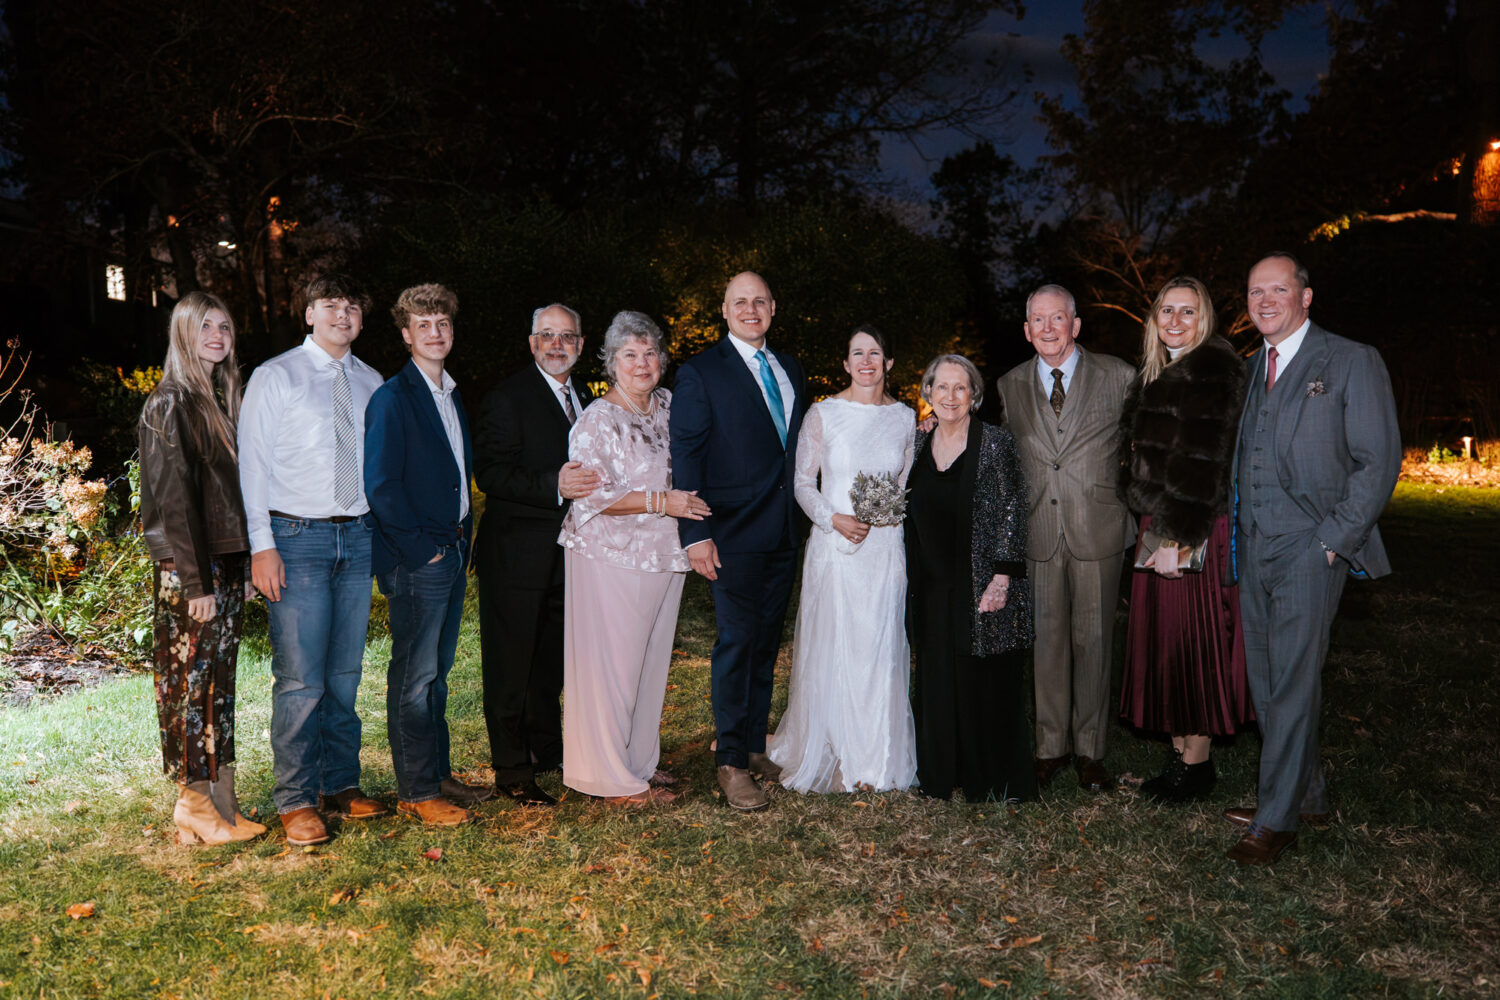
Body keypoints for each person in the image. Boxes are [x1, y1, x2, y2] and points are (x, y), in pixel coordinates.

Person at [1225, 252, 1400, 865]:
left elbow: (1378, 462)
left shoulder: (1351, 360)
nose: (1265, 300)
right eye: (1254, 292)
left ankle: (1276, 820)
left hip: (1309, 546)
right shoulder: (1251, 369)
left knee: (1295, 681)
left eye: (1278, 289)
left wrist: (1333, 540)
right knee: (1267, 680)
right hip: (1253, 546)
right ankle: (1309, 795)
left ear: (1306, 296)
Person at [239, 274, 386, 846]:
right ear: (308, 314)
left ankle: (341, 783)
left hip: (359, 537)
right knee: (300, 677)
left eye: (352, 307)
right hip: (295, 537)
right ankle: (296, 799)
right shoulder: (276, 376)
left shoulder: (373, 382)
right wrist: (262, 544)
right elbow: (252, 465)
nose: (342, 315)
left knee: (345, 671)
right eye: (330, 306)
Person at [558, 311, 710, 805]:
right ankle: (609, 778)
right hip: (611, 556)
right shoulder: (598, 419)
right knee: (612, 669)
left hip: (664, 555)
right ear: (611, 362)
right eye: (630, 355)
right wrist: (661, 502)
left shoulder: (668, 406)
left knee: (649, 665)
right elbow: (590, 496)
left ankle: (638, 763)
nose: (641, 363)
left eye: (649, 353)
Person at [669, 271, 807, 811]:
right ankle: (729, 762)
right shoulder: (701, 373)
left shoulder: (790, 367)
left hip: (783, 531)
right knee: (735, 643)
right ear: (724, 311)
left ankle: (753, 745)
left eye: (760, 301)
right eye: (740, 302)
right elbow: (687, 455)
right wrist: (695, 534)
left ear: (773, 307)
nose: (751, 309)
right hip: (728, 532)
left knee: (766, 645)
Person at [995, 284, 1135, 794]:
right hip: (1040, 530)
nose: (1049, 328)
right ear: (1027, 330)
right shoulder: (1009, 384)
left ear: (1076, 325)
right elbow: (1005, 458)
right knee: (1047, 641)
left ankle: (1091, 750)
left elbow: (1140, 451)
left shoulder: (1119, 376)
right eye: (1038, 319)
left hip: (1098, 525)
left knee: (1094, 640)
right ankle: (1050, 747)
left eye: (1059, 318)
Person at [1117, 276, 1251, 803]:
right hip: (1160, 525)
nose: (1174, 321)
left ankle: (1196, 766)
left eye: (1187, 312)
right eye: (1165, 311)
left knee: (1190, 645)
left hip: (1187, 526)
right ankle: (1179, 757)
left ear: (1206, 319)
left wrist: (1176, 539)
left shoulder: (1213, 369)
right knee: (1164, 644)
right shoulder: (1160, 371)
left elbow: (1205, 464)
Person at [768, 324, 917, 793]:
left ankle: (875, 755)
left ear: (889, 363)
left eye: (876, 353)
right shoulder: (823, 414)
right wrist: (833, 519)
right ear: (846, 363)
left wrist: (883, 516)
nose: (867, 361)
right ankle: (829, 746)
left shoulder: (907, 419)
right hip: (835, 547)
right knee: (835, 646)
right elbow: (801, 484)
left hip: (885, 550)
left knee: (879, 645)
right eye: (858, 353)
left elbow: (903, 486)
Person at [363, 283, 492, 827]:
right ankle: (416, 792)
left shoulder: (449, 392)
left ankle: (436, 773)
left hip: (451, 548)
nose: (435, 333)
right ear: (405, 334)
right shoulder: (394, 398)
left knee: (436, 672)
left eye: (442, 323)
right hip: (418, 558)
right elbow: (381, 485)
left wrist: (459, 539)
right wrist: (423, 553)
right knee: (413, 678)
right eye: (423, 325)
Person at [139, 292, 265, 845]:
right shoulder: (169, 404)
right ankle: (193, 803)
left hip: (223, 562)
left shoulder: (214, 399)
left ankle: (221, 798)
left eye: (226, 326)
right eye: (205, 326)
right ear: (183, 334)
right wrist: (197, 583)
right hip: (192, 569)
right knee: (190, 687)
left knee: (217, 685)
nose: (218, 335)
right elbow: (175, 502)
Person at [473, 303, 599, 806]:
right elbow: (492, 473)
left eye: (566, 336)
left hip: (570, 554)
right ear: (531, 343)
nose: (556, 344)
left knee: (551, 661)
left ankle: (549, 750)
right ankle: (512, 770)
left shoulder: (588, 397)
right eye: (546, 335)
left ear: (581, 345)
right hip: (516, 557)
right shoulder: (508, 397)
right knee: (510, 665)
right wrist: (554, 484)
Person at [906, 355, 1036, 802]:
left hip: (981, 583)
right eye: (941, 387)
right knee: (938, 680)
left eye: (960, 388)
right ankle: (942, 775)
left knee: (983, 682)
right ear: (928, 394)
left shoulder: (995, 443)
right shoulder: (917, 444)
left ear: (974, 395)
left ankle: (990, 779)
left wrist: (1002, 579)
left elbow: (1013, 509)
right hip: (932, 585)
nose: (950, 397)